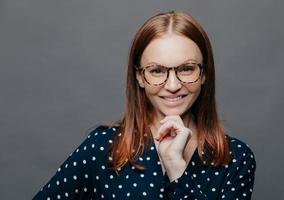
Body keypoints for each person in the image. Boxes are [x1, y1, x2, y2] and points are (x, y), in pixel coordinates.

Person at [33, 11, 256, 200]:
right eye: (157, 71)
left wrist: (175, 167)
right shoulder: (102, 148)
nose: (172, 85)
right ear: (139, 77)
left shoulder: (236, 159)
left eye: (186, 69)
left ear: (204, 73)